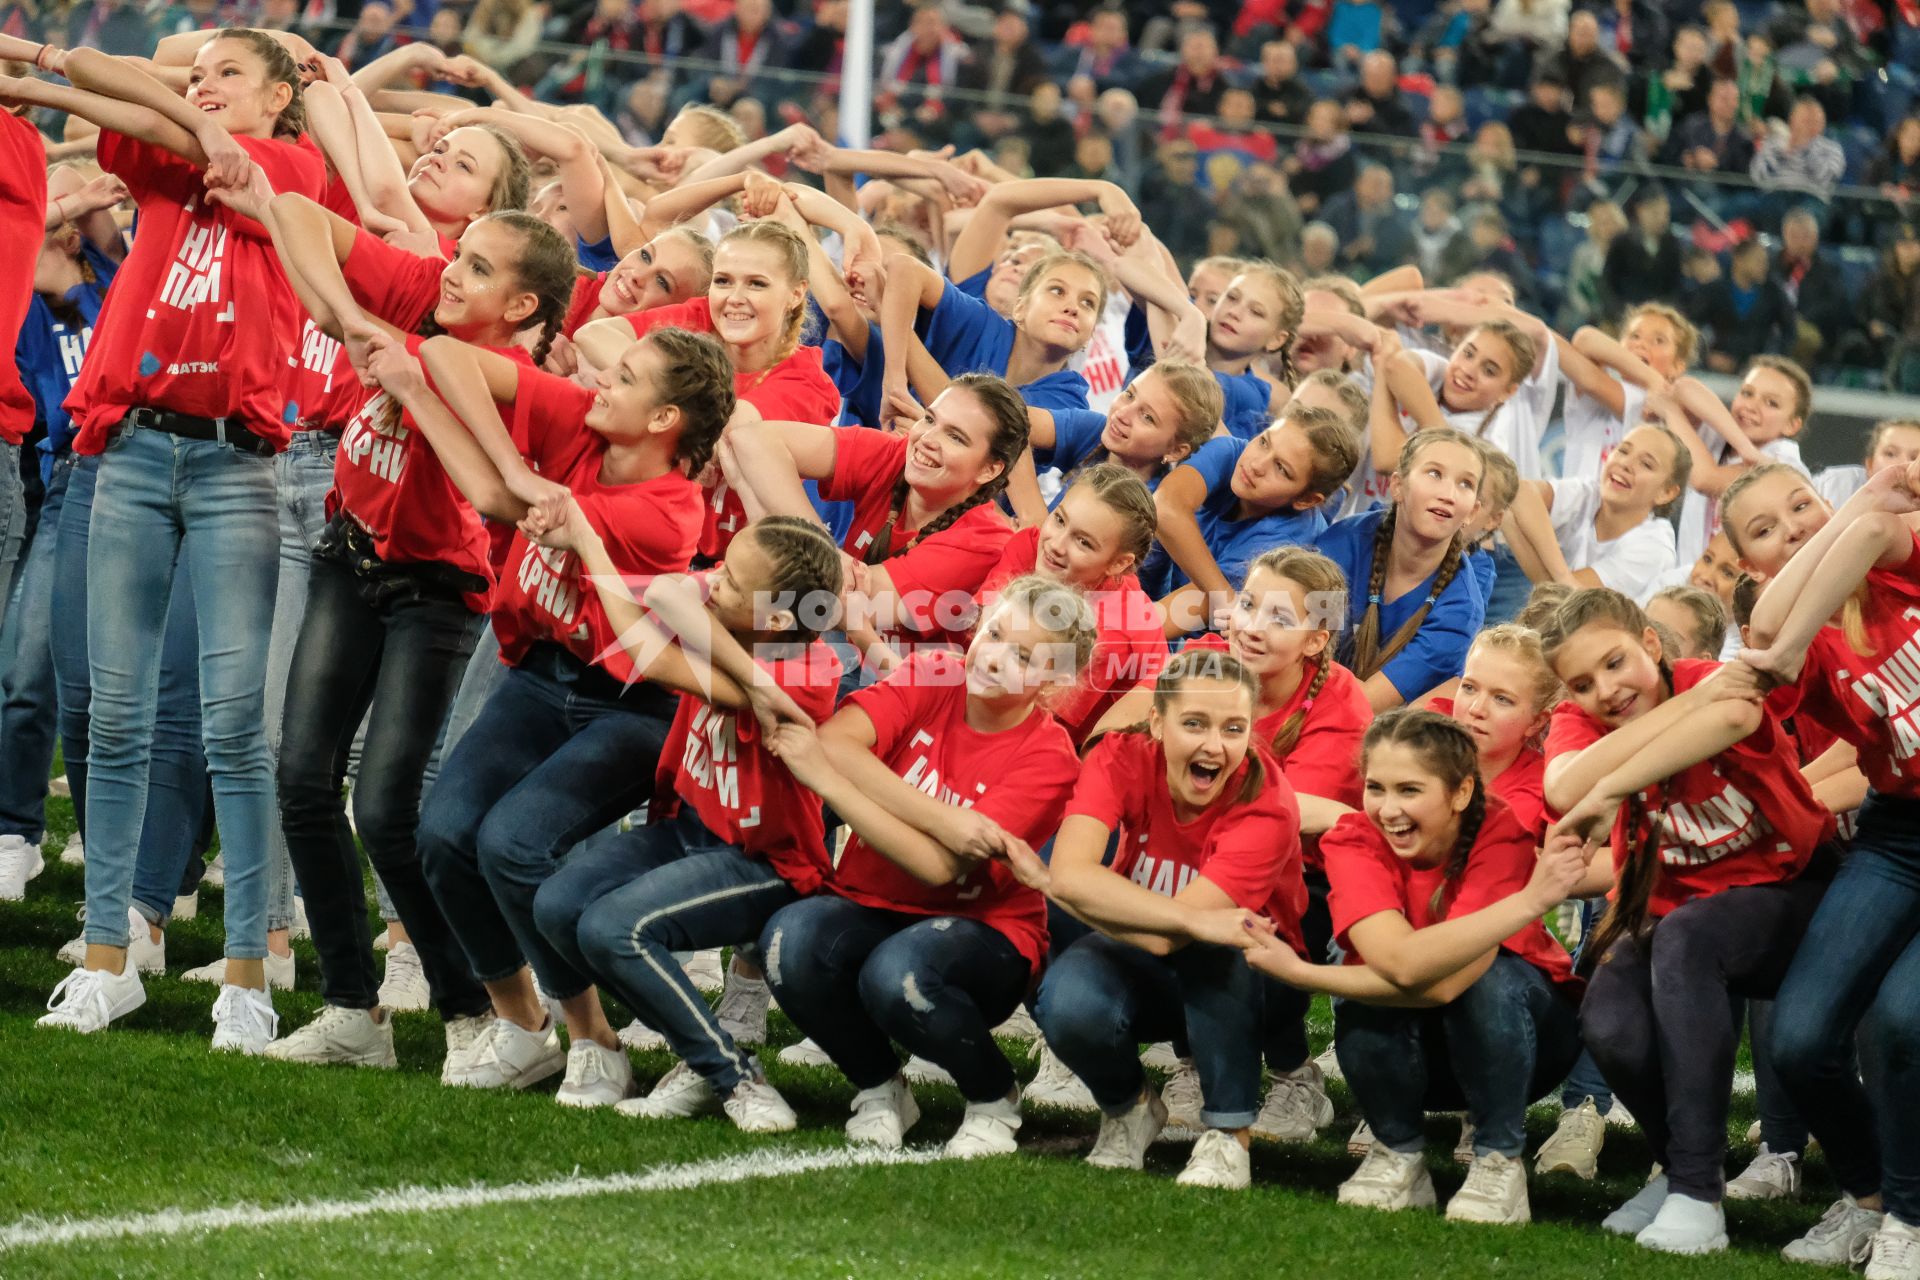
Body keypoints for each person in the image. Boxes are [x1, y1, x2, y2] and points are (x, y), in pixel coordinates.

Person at [25, 30, 325, 1052]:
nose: (203, 86)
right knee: (114, 720)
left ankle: (248, 970)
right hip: (134, 454)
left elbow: (149, 107)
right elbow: (115, 88)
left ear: (285, 97)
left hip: (241, 462)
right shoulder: (180, 145)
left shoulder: (295, 164)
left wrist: (187, 109)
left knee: (235, 726)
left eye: (231, 73)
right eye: (198, 74)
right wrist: (192, 98)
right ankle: (106, 956)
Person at [241, 191, 577, 1071]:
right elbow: (293, 211)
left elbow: (498, 497)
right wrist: (352, 318)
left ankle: (472, 1010)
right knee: (302, 777)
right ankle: (354, 1009)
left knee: (389, 808)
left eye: (475, 266)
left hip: (436, 589)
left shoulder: (515, 383)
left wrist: (406, 372)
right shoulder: (427, 294)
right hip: (346, 553)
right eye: (458, 256)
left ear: (522, 308)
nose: (449, 272)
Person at [409, 322, 733, 1093]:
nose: (601, 385)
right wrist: (517, 464)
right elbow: (447, 355)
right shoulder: (588, 424)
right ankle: (522, 1026)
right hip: (538, 675)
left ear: (663, 422)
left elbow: (533, 511)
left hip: (630, 702)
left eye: (624, 380)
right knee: (443, 832)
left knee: (513, 844)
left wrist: (527, 488)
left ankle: (595, 1037)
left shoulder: (670, 511)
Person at [1543, 587, 1835, 1255]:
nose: (1606, 692)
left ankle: (1699, 1193)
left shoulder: (1709, 681)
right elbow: (1562, 789)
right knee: (1609, 1020)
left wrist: (1613, 782)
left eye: (1616, 663)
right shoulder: (1582, 721)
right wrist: (1647, 738)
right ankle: (1680, 1172)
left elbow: (1730, 715)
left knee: (1686, 934)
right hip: (1674, 913)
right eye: (1582, 684)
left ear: (1651, 643)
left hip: (1795, 891)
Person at [524, 514, 844, 1124]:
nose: (711, 581)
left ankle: (732, 1075)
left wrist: (755, 680)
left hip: (765, 858)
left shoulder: (807, 672)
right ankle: (698, 1052)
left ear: (776, 620)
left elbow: (648, 650)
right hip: (692, 830)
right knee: (558, 906)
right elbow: (671, 591)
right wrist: (751, 680)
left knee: (613, 927)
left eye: (728, 579)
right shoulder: (741, 632)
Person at [759, 577, 1094, 1157]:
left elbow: (935, 867)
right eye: (994, 635)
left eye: (1023, 656)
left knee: (896, 975)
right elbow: (836, 743)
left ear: (1054, 680)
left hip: (983, 936)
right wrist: (944, 818)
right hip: (870, 900)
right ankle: (881, 1087)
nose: (994, 658)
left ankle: (994, 1097)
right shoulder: (933, 670)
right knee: (788, 943)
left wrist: (836, 783)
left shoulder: (1050, 756)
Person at [1241, 709, 1583, 1222]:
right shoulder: (1352, 839)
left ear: (1462, 793)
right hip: (1424, 1048)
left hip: (1533, 1045)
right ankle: (1398, 1152)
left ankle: (1498, 1159)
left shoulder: (1500, 831)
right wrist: (1532, 899)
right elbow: (1397, 963)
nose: (1387, 808)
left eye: (1409, 790)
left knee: (1485, 981)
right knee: (1367, 995)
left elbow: (1447, 986)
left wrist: (1301, 973)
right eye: (1375, 788)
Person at [1733, 463, 1920, 1275]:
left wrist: (1855, 509)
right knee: (1799, 1036)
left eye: (1801, 504)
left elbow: (1875, 533)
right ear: (1753, 562)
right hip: (1898, 835)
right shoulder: (1803, 635)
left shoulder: (1895, 551)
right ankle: (1868, 1198)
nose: (1795, 527)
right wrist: (1797, 621)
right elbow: (1770, 626)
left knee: (1903, 1022)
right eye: (1766, 529)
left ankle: (1910, 1221)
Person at [1038, 648, 1307, 1190]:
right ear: (1157, 722)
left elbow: (1173, 936)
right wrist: (1070, 891)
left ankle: (1230, 1136)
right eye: (1194, 724)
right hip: (1143, 949)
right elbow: (1066, 873)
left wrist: (1087, 896)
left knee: (1219, 949)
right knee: (1067, 1002)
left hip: (1259, 981)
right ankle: (1130, 1107)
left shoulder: (1267, 802)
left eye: (1234, 728)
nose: (1215, 745)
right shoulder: (1119, 753)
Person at [724, 374, 1029, 676]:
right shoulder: (898, 455)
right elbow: (752, 438)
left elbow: (832, 604)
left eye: (955, 437)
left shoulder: (985, 539)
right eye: (929, 419)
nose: (927, 439)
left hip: (887, 681)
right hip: (832, 648)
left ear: (990, 469)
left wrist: (750, 493)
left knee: (736, 630)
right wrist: (824, 546)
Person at [0, 158, 125, 895]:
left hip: (136, 485)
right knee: (24, 676)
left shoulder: (116, 283)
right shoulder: (20, 311)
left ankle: (117, 842)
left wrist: (84, 201)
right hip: (57, 490)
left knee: (107, 689)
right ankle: (16, 832)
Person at [578, 215, 839, 564]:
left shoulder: (806, 382)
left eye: (757, 284)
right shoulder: (700, 317)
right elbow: (594, 335)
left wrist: (646, 384)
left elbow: (734, 434)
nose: (734, 298)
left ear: (796, 294)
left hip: (727, 571)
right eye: (723, 281)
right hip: (631, 528)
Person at [976, 464, 1166, 747]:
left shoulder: (1113, 631)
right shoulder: (1030, 545)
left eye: (1083, 543)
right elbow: (981, 645)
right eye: (1060, 520)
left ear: (1119, 563)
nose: (1056, 545)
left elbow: (1037, 719)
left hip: (1073, 746)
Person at [1317, 429, 1487, 711]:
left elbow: (1363, 707)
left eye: (1465, 484)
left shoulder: (1461, 610)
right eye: (1434, 474)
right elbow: (1297, 659)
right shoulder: (1343, 543)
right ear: (1397, 486)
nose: (1449, 494)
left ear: (1472, 512)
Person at [1145, 402, 1362, 619]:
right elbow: (1164, 507)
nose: (1257, 465)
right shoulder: (1234, 453)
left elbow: (1160, 622)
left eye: (1281, 469)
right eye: (1264, 442)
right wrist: (1227, 600)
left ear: (1306, 500)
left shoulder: (1284, 547)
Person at [1500, 421, 1688, 602]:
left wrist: (1510, 522)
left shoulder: (1654, 548)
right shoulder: (1590, 492)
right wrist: (1563, 576)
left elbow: (1562, 599)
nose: (1625, 464)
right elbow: (1521, 490)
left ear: (1667, 492)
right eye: (1623, 450)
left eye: (1646, 464)